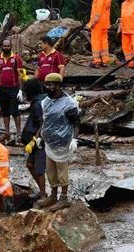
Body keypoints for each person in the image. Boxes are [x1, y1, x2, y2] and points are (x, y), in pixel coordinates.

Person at [36, 73, 80, 210]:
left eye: (50, 85)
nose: (47, 87)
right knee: (51, 171)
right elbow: (43, 121)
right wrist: (38, 136)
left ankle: (64, 198)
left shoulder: (69, 103)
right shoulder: (46, 102)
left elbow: (76, 123)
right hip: (49, 143)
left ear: (58, 86)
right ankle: (53, 195)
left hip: (63, 143)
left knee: (62, 171)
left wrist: (74, 139)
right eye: (46, 84)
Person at [21, 78, 48, 199]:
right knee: (30, 164)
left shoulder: (38, 104)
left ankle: (43, 194)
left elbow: (43, 123)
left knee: (39, 168)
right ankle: (42, 191)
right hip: (34, 139)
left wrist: (35, 139)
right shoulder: (38, 101)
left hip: (39, 141)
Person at [0, 39, 23, 143]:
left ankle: (19, 133)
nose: (6, 47)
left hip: (13, 88)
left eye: (8, 46)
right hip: (1, 88)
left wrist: (20, 90)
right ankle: (7, 132)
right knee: (5, 111)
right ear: (2, 46)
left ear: (11, 46)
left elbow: (20, 74)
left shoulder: (16, 58)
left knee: (15, 110)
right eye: (4, 46)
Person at [86, 0, 112, 67]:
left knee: (96, 41)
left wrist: (92, 23)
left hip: (98, 24)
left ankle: (97, 60)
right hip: (105, 23)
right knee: (104, 41)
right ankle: (105, 59)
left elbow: (98, 11)